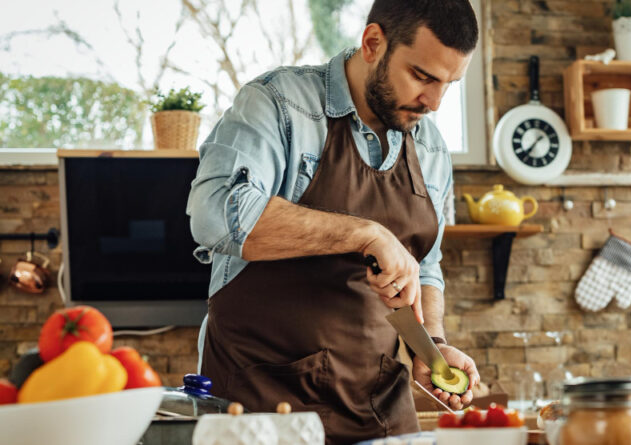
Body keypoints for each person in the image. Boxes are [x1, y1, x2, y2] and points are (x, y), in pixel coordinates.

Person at [186, 1, 480, 443]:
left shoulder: (432, 148)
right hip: (263, 407)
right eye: (422, 77)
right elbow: (216, 211)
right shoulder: (280, 103)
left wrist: (431, 346)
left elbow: (427, 263)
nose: (434, 102)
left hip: (378, 412)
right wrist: (364, 232)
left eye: (449, 84)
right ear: (373, 43)